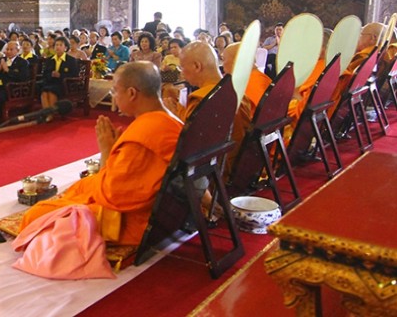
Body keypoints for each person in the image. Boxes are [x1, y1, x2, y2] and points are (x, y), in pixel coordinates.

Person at [20, 62, 183, 245]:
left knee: (34, 216)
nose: (113, 95)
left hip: (134, 221)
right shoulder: (171, 120)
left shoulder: (145, 131)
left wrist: (107, 152)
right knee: (80, 187)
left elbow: (112, 196)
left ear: (132, 93)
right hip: (167, 210)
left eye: (115, 90)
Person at [164, 41, 252, 174]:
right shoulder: (237, 92)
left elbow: (189, 144)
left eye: (182, 67)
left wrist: (173, 115)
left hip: (216, 174)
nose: (181, 74)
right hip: (242, 166)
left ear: (197, 66)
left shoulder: (202, 100)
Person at [222, 43, 271, 115]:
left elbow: (265, 114)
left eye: (223, 59)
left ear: (236, 61)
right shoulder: (253, 77)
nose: (222, 64)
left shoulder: (252, 82)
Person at [40, 37, 79, 112]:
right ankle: (48, 114)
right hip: (51, 82)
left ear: (66, 48)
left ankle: (50, 113)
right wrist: (51, 74)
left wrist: (60, 75)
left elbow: (74, 75)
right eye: (56, 45)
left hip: (64, 84)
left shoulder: (71, 60)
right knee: (44, 92)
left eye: (60, 45)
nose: (58, 47)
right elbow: (44, 74)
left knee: (52, 91)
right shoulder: (49, 59)